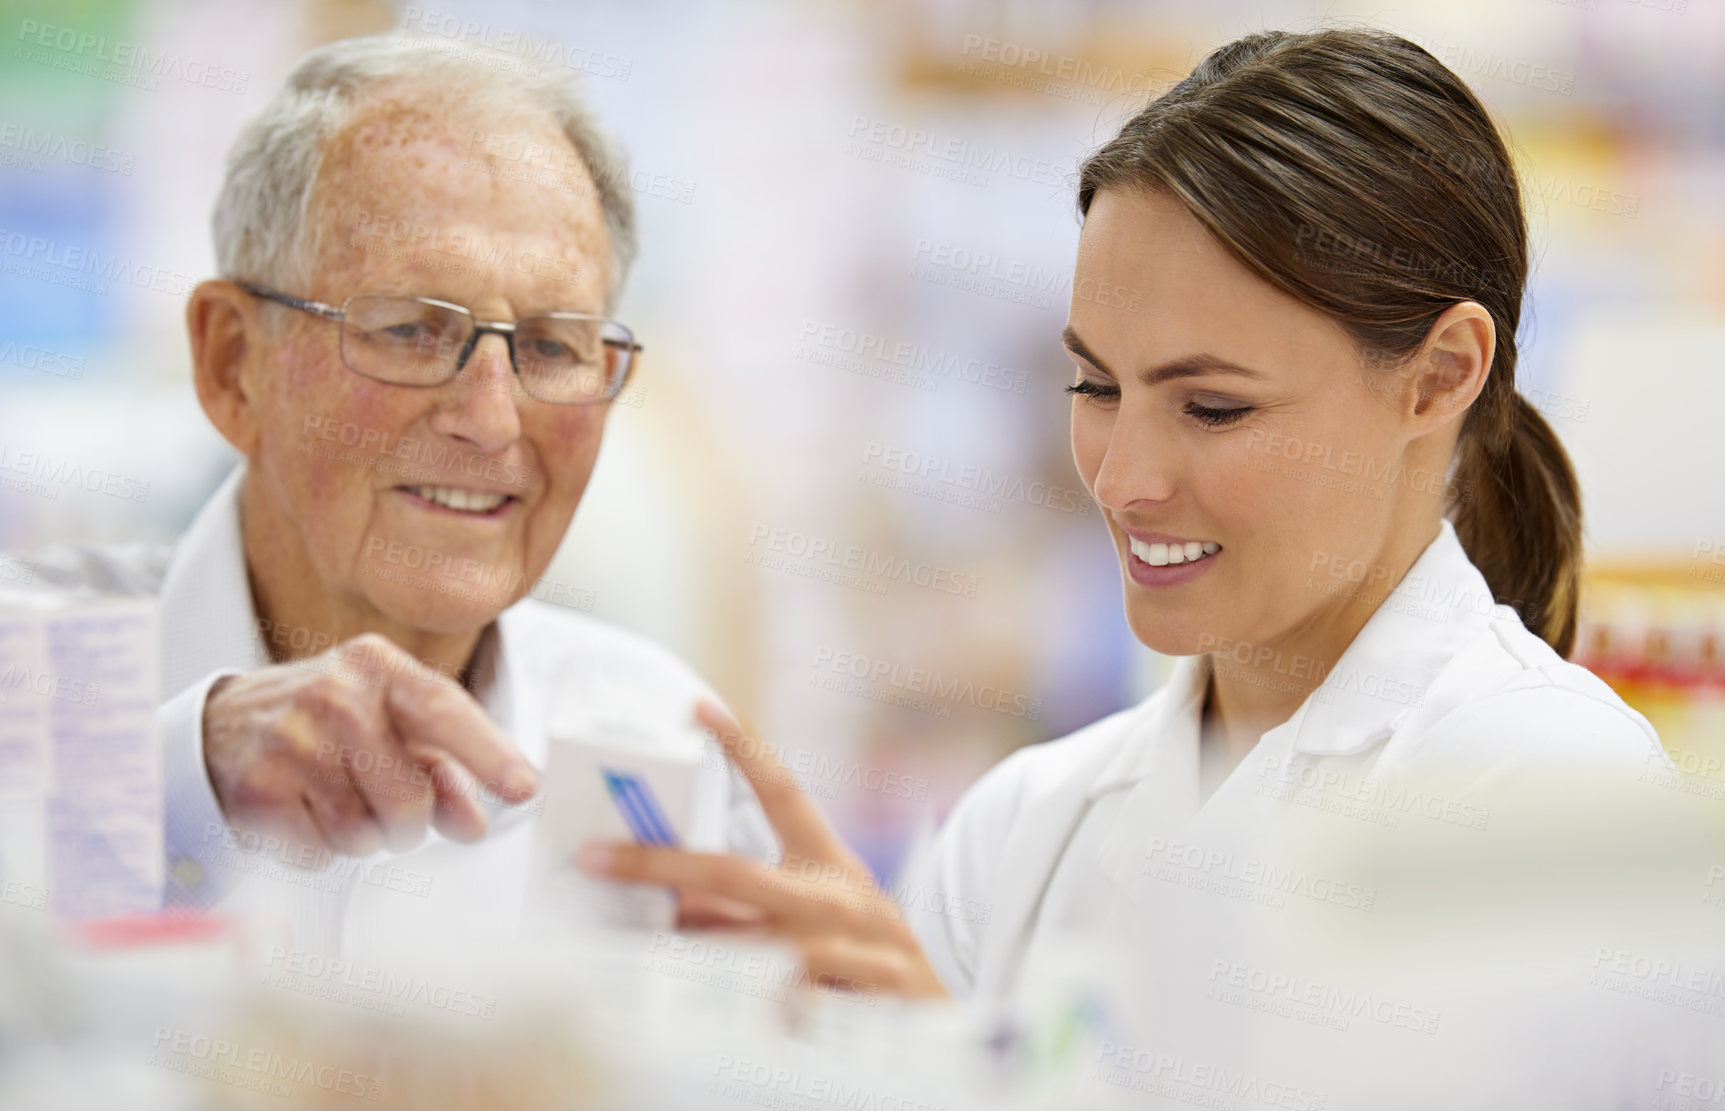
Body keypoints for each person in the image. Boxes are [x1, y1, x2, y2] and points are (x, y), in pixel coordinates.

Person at [580, 28, 1702, 1003]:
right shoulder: (1022, 829)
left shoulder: (1552, 794)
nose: (1122, 480)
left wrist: (984, 1103)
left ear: (1439, 374)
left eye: (1213, 406)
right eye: (1096, 388)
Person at [1, 35, 770, 952]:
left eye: (553, 347)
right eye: (409, 328)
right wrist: (186, 766)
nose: (492, 420)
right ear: (233, 365)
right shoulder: (38, 660)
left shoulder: (654, 745)